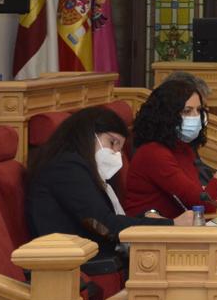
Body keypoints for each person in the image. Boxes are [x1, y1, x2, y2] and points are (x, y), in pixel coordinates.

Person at [27, 106, 190, 255]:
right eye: (112, 143)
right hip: (73, 263)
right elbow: (102, 224)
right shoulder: (66, 167)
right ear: (88, 134)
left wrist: (148, 217)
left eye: (119, 149)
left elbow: (103, 220)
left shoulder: (82, 168)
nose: (115, 154)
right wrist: (171, 225)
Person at [124, 79, 217, 218]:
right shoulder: (153, 154)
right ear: (166, 115)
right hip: (148, 235)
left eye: (198, 110)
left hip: (177, 230)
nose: (196, 117)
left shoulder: (182, 147)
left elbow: (198, 195)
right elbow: (205, 205)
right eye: (187, 111)